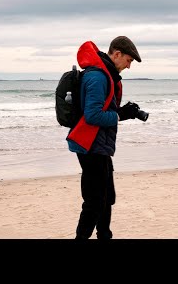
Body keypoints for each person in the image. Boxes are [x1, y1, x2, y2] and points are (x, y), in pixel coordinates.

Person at [66, 36, 142, 239]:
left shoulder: (105, 75)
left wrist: (122, 112)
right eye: (129, 61)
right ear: (117, 54)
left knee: (107, 198)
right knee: (94, 202)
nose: (129, 66)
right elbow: (92, 116)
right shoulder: (98, 77)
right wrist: (119, 115)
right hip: (90, 146)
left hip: (99, 145)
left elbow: (102, 112)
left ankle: (104, 235)